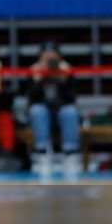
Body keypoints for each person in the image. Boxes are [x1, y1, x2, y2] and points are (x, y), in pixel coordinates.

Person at [26, 42, 80, 172]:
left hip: (61, 111)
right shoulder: (34, 71)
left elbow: (71, 98)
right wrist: (41, 79)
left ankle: (70, 152)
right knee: (37, 111)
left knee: (70, 112)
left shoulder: (66, 70)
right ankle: (42, 152)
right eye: (46, 55)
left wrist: (61, 79)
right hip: (44, 113)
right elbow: (31, 98)